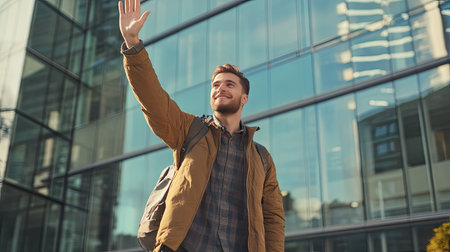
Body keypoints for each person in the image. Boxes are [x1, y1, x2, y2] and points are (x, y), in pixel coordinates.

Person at [118, 0, 285, 251]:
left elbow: (273, 218)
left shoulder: (261, 157)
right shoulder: (190, 130)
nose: (220, 88)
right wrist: (133, 45)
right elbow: (154, 100)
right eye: (216, 85)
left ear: (244, 98)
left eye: (230, 84)